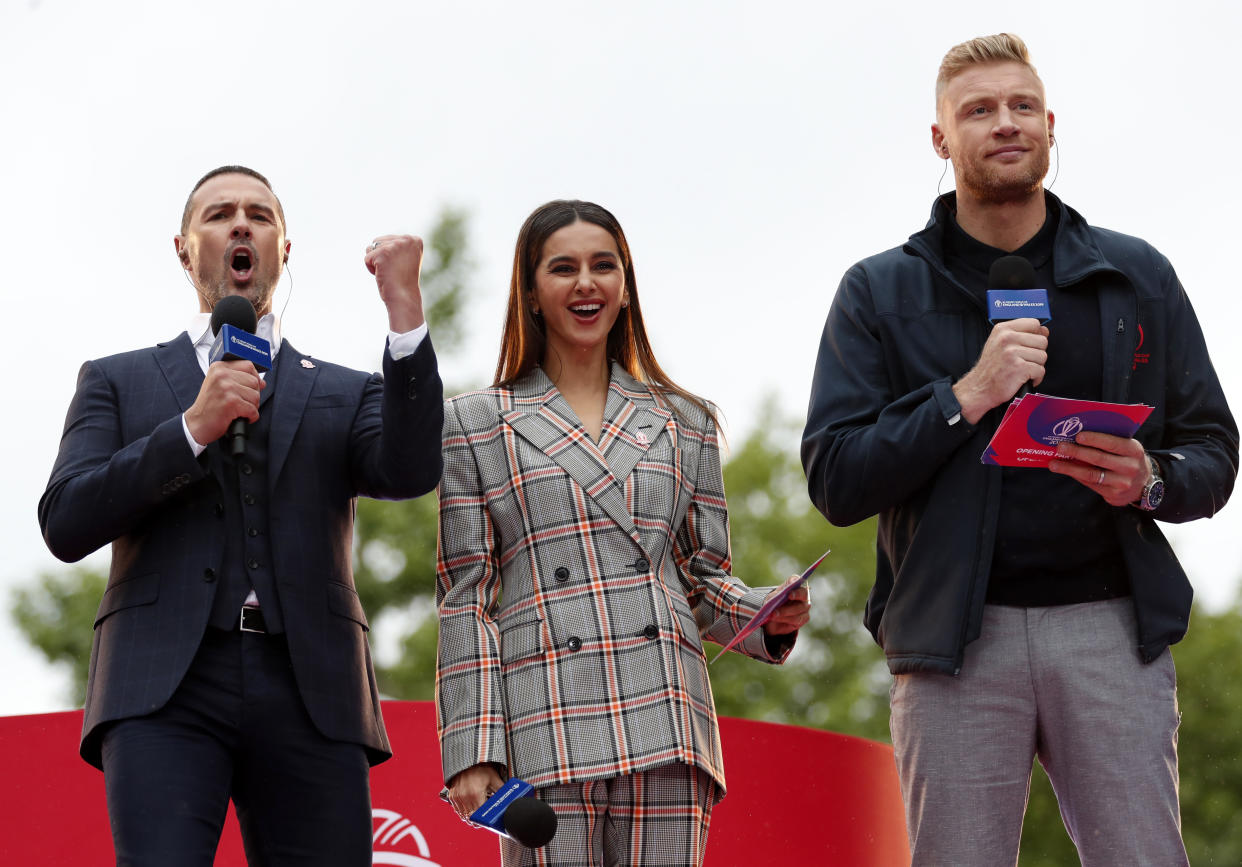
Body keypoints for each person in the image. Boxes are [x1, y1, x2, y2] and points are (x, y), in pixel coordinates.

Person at [801, 34, 1238, 866]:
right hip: (954, 644)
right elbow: (836, 477)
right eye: (979, 110)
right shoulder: (878, 291)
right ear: (941, 140)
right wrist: (965, 396)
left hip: (1111, 629)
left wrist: (1151, 479)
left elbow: (1214, 450)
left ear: (1048, 124)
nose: (1005, 124)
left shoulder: (1136, 276)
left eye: (1021, 106)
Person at [38, 165, 444, 866]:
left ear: (284, 250)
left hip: (311, 683)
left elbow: (410, 470)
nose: (240, 223)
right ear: (184, 246)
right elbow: (65, 519)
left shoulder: (346, 391)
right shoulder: (116, 378)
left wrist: (404, 313)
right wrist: (189, 429)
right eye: (219, 212)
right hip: (162, 687)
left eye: (259, 214)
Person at [435, 200, 811, 866]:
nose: (587, 282)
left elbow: (700, 579)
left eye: (604, 265)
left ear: (626, 285)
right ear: (531, 291)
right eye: (564, 268)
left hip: (665, 711)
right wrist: (472, 746)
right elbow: (466, 596)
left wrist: (765, 612)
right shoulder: (474, 422)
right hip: (541, 711)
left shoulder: (685, 419)